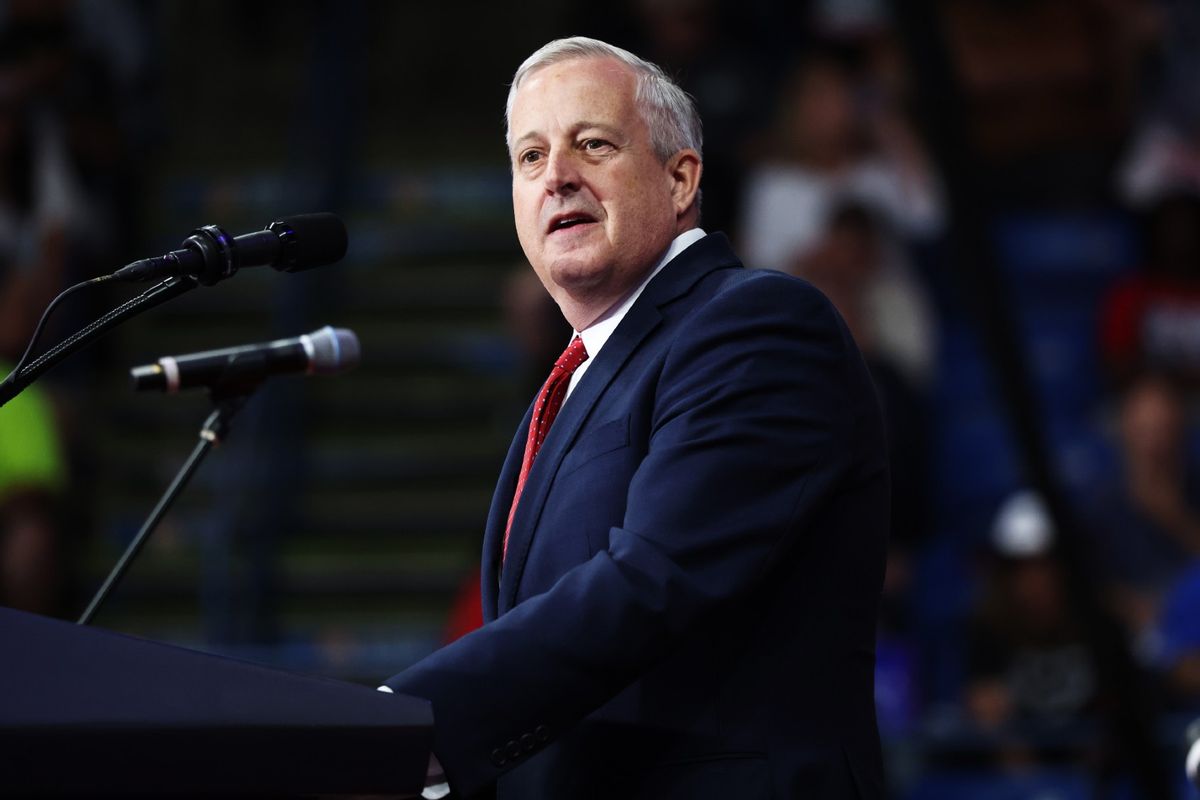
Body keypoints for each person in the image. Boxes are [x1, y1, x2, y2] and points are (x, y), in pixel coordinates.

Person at [382, 37, 888, 800]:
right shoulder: (573, 383)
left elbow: (656, 578)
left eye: (592, 144)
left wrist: (406, 722)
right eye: (529, 157)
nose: (556, 177)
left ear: (681, 177)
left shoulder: (756, 324)